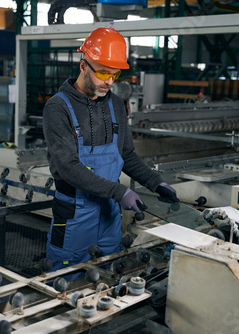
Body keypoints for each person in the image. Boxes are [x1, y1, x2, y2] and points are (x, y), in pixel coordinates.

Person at [42, 27, 178, 272]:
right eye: (103, 73)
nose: (108, 81)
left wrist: (155, 182)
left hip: (110, 216)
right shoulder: (57, 108)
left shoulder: (115, 104)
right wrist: (119, 192)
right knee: (67, 280)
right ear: (83, 66)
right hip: (75, 216)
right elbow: (69, 168)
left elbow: (125, 155)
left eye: (114, 75)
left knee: (108, 277)